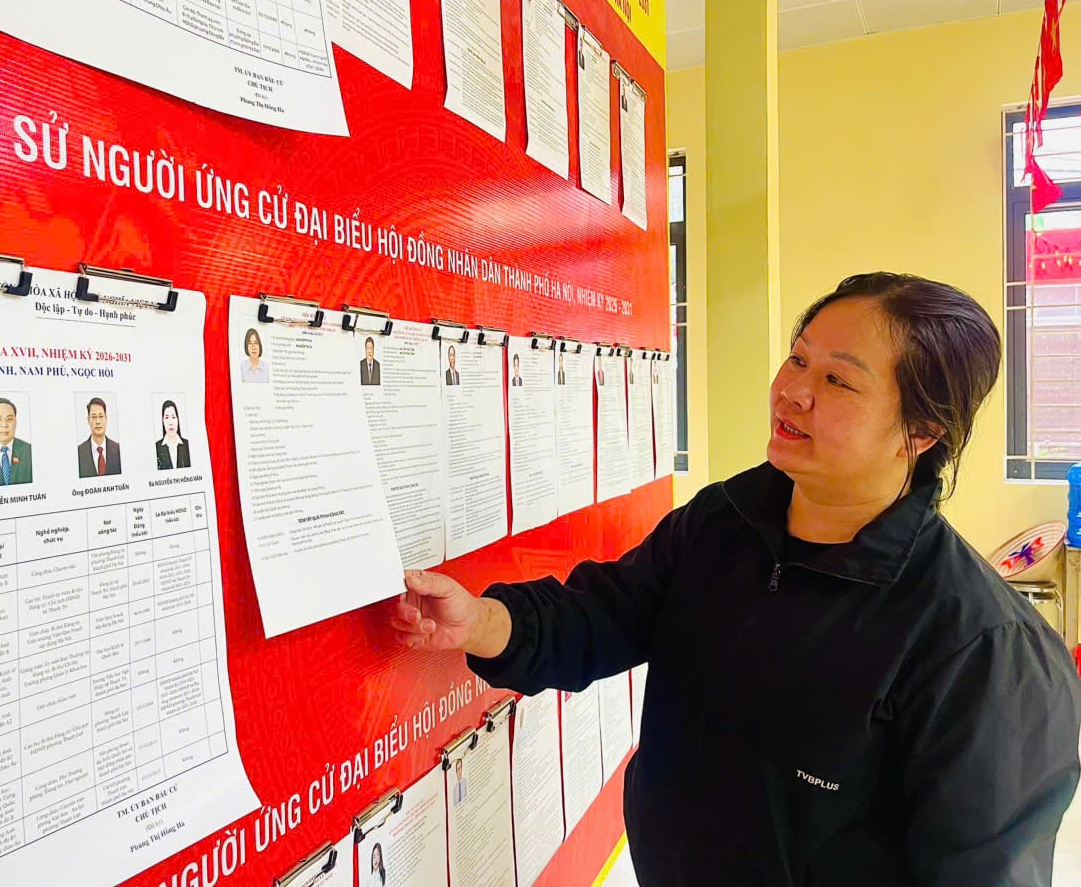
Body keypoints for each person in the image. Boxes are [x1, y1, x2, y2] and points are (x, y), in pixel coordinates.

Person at [392, 273, 1081, 887]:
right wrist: (479, 620)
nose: (793, 392)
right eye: (799, 358)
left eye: (838, 381)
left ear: (921, 432)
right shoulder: (725, 521)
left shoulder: (982, 646)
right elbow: (603, 616)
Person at [77, 397, 122, 477]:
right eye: (94, 417)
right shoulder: (79, 452)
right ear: (88, 420)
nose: (98, 421)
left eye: (101, 416)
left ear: (106, 418)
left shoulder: (119, 450)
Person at [155, 399, 190, 470]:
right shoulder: (156, 448)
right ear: (163, 421)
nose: (170, 422)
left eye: (173, 417)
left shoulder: (187, 445)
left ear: (177, 419)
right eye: (167, 417)